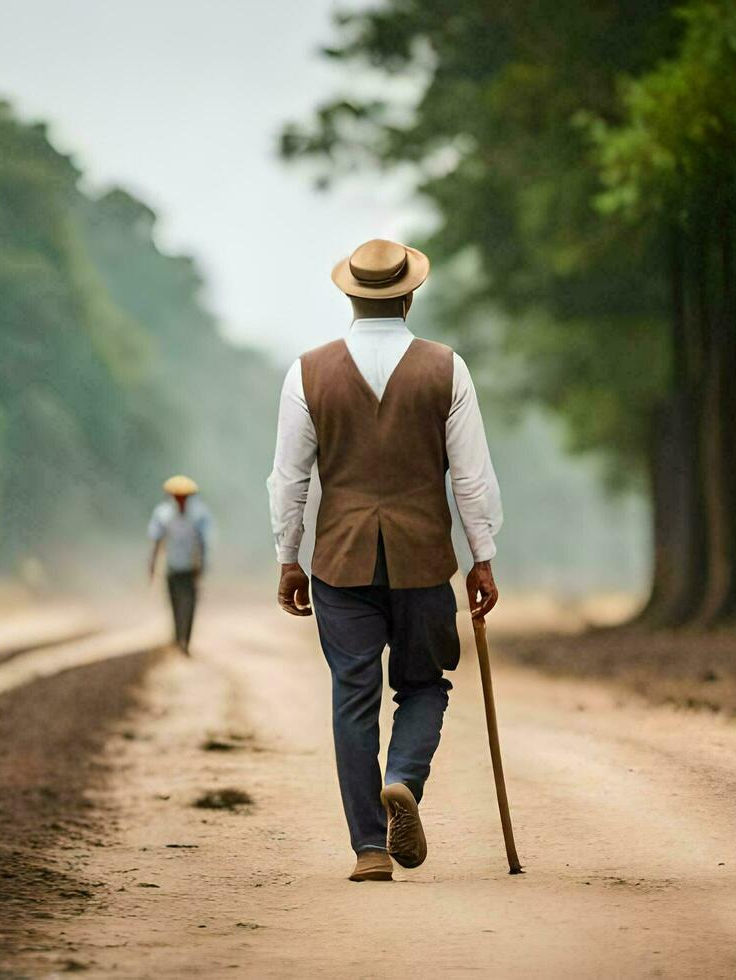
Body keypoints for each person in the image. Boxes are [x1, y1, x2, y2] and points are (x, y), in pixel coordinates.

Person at [267, 238, 503, 883]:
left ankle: (370, 848)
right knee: (425, 685)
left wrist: (288, 558)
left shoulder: (306, 372)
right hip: (424, 557)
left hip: (339, 561)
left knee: (352, 695)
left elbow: (289, 480)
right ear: (408, 294)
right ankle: (402, 778)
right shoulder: (446, 368)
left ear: (350, 294)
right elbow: (472, 479)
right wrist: (482, 558)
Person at [148, 474, 211, 654]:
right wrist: (152, 565)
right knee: (175, 604)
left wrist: (202, 566)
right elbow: (156, 541)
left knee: (190, 605)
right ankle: (177, 638)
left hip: (190, 569)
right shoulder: (163, 514)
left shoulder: (198, 515)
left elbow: (203, 543)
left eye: (184, 496)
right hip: (172, 567)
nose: (180, 499)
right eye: (177, 496)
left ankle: (186, 641)